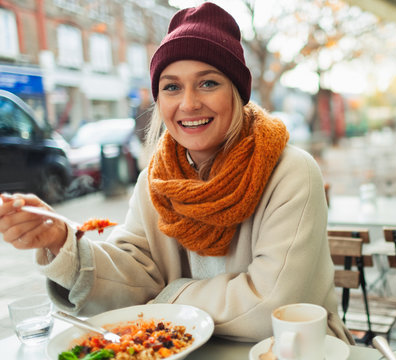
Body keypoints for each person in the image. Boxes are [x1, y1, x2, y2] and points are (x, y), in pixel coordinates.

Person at [0, 2, 353, 343]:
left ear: (237, 93)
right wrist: (63, 243)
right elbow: (135, 275)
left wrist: (166, 300)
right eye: (171, 86)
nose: (188, 103)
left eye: (208, 83)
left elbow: (271, 304)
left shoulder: (290, 172)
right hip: (188, 348)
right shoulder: (154, 181)